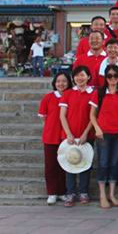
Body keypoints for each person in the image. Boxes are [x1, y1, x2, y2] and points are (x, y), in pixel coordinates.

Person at [89, 65, 118, 209]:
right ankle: (102, 195)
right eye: (109, 76)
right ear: (105, 77)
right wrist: (97, 129)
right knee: (103, 163)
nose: (113, 79)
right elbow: (92, 114)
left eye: (115, 76)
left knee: (114, 163)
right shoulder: (99, 93)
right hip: (104, 134)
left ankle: (112, 194)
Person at [59, 65, 95, 207]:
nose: (80, 78)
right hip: (69, 136)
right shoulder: (68, 93)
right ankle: (70, 193)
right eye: (77, 75)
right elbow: (62, 115)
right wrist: (69, 134)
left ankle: (84, 191)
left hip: (87, 135)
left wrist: (85, 133)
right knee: (69, 164)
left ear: (88, 77)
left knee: (85, 164)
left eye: (82, 75)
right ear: (73, 78)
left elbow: (93, 116)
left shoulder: (93, 93)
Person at [40, 72, 70, 205]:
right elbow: (44, 117)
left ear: (69, 82)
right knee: (50, 166)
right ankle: (52, 193)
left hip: (66, 137)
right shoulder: (48, 97)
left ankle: (62, 192)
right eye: (58, 81)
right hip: (50, 136)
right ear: (54, 83)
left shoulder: (71, 96)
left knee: (64, 166)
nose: (61, 84)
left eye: (64, 81)